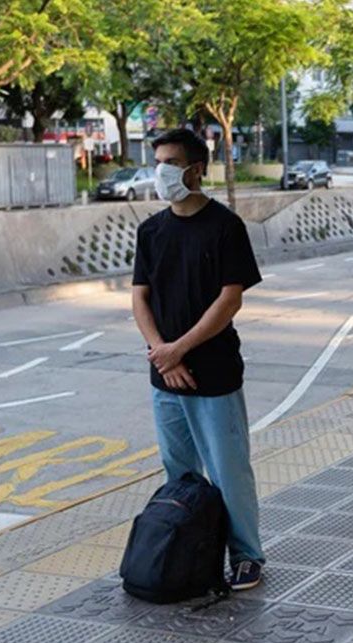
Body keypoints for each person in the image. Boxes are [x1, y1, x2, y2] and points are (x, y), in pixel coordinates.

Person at [131, 128, 265, 591]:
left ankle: (247, 555)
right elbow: (139, 301)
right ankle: (192, 548)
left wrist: (177, 350)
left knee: (229, 470)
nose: (161, 172)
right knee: (180, 473)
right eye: (158, 162)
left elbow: (230, 300)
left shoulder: (225, 227)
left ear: (196, 169)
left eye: (170, 162)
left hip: (214, 373)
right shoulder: (150, 231)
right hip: (164, 376)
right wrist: (162, 355)